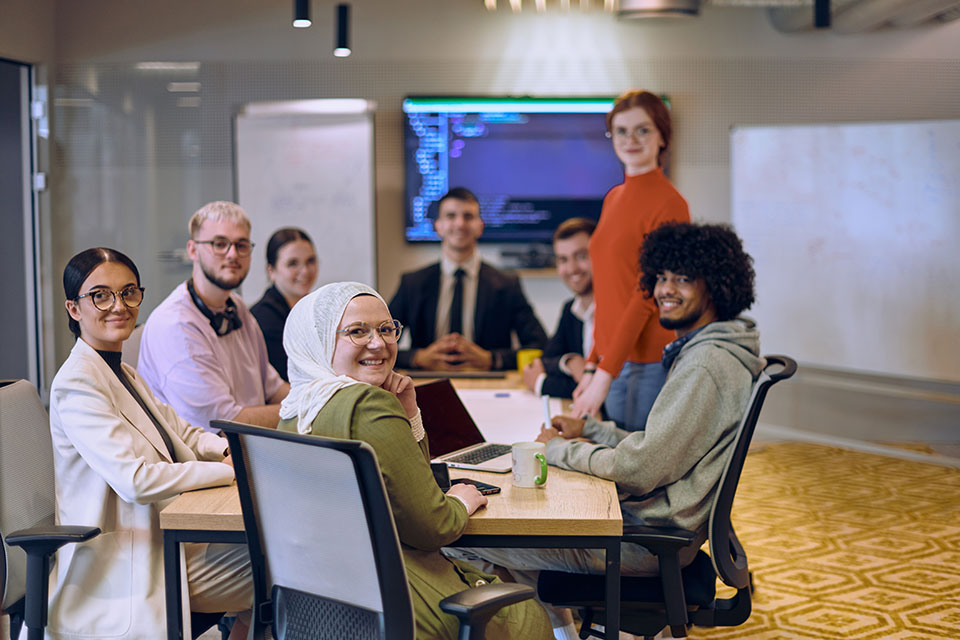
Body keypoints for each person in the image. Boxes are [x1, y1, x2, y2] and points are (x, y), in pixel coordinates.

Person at [457, 222, 764, 638]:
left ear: (716, 286)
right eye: (661, 277)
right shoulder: (712, 352)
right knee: (512, 530)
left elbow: (640, 468)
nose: (665, 289)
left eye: (683, 279)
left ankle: (548, 630)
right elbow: (659, 446)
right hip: (654, 530)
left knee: (460, 536)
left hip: (644, 541)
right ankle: (561, 631)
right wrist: (594, 430)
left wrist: (558, 449)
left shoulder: (705, 364)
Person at [276, 281, 552, 639]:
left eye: (387, 329)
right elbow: (432, 527)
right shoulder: (368, 404)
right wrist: (459, 502)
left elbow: (409, 484)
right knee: (529, 616)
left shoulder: (295, 410)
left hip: (321, 607)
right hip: (398, 603)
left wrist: (409, 415)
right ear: (322, 340)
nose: (378, 343)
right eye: (358, 332)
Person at [48, 247, 252, 640]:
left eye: (128, 292)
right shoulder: (77, 382)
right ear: (74, 309)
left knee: (276, 553)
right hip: (127, 560)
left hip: (167, 538)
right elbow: (135, 480)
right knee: (284, 565)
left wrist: (226, 451)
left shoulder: (122, 370)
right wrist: (225, 473)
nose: (118, 305)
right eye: (100, 295)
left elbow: (183, 432)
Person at [570, 90, 691, 430]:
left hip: (646, 363)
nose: (630, 140)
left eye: (643, 130)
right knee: (614, 469)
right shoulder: (613, 197)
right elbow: (609, 292)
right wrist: (594, 364)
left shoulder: (671, 204)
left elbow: (649, 295)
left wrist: (604, 376)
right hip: (612, 359)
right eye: (621, 131)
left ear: (663, 135)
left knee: (636, 473)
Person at [139, 201, 289, 430]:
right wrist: (305, 409)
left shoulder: (235, 306)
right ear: (192, 250)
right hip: (204, 458)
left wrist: (325, 399)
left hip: (250, 446)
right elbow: (224, 423)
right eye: (219, 244)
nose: (232, 254)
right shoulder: (175, 325)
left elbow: (273, 388)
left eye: (241, 245)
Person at [389, 187, 548, 371]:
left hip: (488, 386)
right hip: (427, 383)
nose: (460, 224)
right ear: (438, 226)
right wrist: (418, 357)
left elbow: (540, 346)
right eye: (451, 216)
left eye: (468, 216)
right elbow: (377, 343)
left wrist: (492, 359)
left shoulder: (507, 284)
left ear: (480, 226)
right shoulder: (413, 283)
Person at [522, 217, 596, 398]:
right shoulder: (570, 309)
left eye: (581, 256)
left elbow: (597, 392)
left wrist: (541, 384)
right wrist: (569, 361)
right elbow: (544, 361)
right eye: (563, 259)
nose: (572, 268)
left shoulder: (618, 311)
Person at [250, 227, 319, 381]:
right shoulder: (265, 318)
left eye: (310, 261)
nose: (305, 271)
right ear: (271, 271)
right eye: (292, 263)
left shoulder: (313, 309)